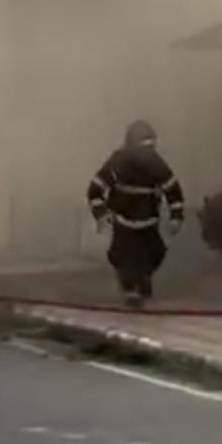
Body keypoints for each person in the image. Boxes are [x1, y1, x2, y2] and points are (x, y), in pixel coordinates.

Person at [86, 120, 184, 306]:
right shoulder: (118, 163)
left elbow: (173, 191)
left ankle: (140, 285)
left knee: (153, 254)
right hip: (124, 223)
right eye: (144, 146)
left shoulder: (156, 165)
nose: (146, 152)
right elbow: (95, 190)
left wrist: (176, 217)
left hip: (148, 223)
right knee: (123, 259)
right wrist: (101, 215)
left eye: (150, 146)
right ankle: (130, 291)